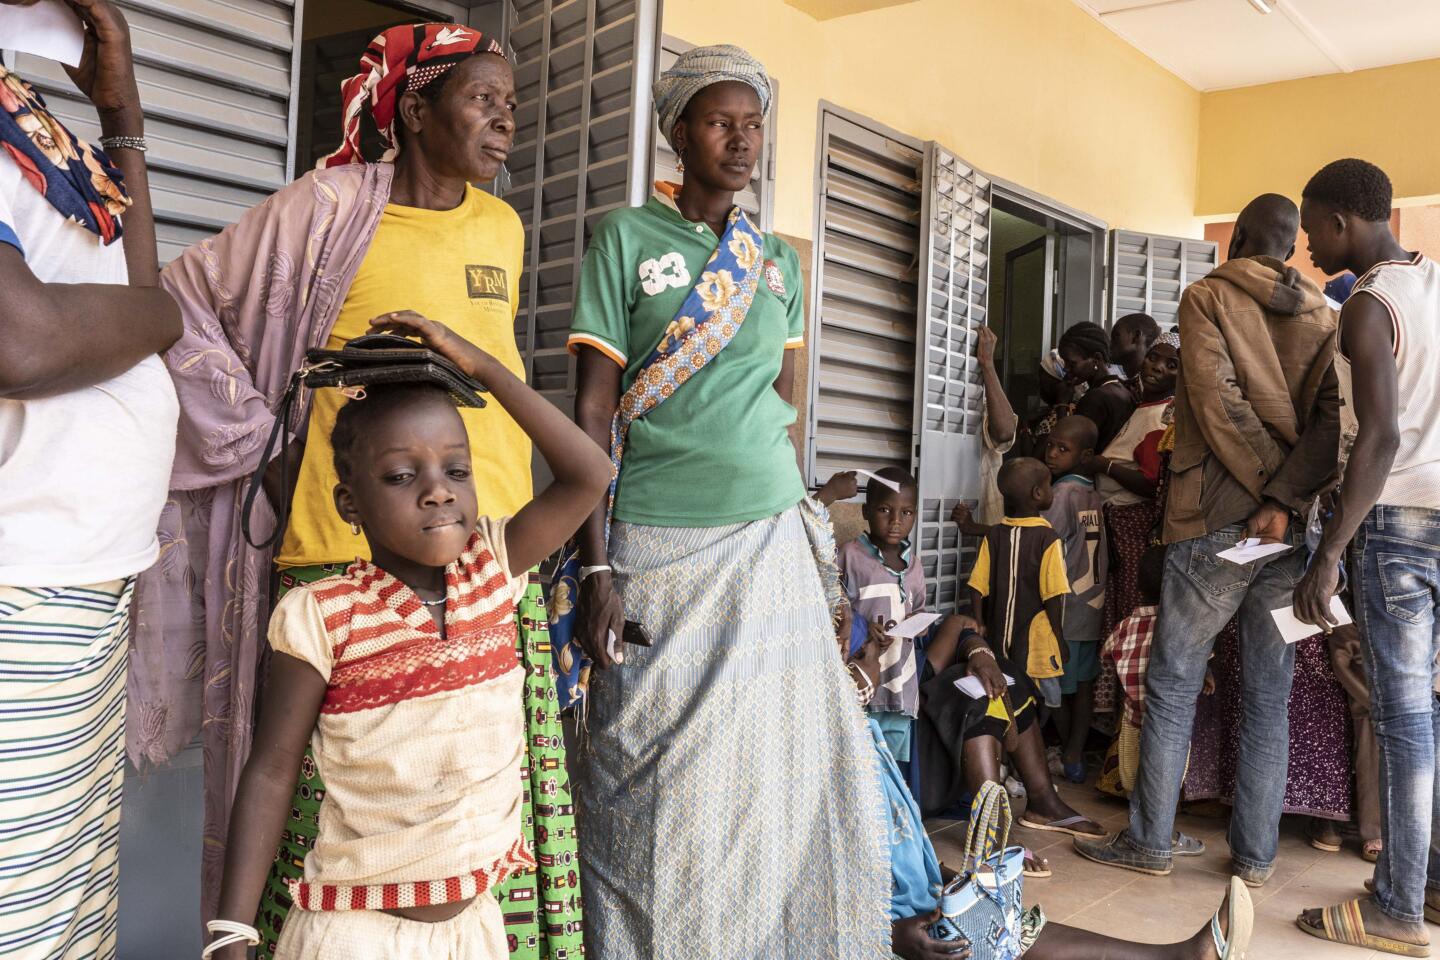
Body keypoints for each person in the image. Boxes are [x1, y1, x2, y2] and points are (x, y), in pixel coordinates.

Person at [145, 24, 583, 951]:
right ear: (414, 110)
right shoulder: (331, 206)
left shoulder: (500, 226)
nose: (506, 121)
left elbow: (497, 373)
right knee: (331, 814)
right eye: (483, 101)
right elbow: (178, 299)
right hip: (341, 554)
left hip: (490, 558)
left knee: (478, 802)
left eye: (511, 104)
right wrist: (258, 436)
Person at [566, 45, 889, 954]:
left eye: (753, 124)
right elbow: (591, 410)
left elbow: (783, 406)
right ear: (677, 133)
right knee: (656, 773)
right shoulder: (624, 238)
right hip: (658, 541)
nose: (742, 140)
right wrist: (596, 564)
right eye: (719, 121)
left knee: (774, 772)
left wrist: (800, 513)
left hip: (769, 539)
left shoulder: (776, 262)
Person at [205, 314, 611, 960]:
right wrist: (231, 932)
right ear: (349, 504)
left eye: (457, 471)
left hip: (473, 933)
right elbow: (273, 769)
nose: (436, 494)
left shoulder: (494, 568)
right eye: (401, 476)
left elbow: (590, 474)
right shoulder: (322, 616)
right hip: (355, 936)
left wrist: (480, 365)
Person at [1075, 192, 1340, 889]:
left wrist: (1263, 499)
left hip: (1216, 519)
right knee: (1268, 694)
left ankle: (1150, 841)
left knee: (1172, 683)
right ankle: (1254, 859)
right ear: (1289, 247)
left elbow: (1217, 404)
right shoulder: (1324, 315)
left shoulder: (1207, 297)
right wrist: (1286, 499)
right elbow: (1332, 425)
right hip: (1290, 530)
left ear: (1241, 236)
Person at [0, 2, 181, 957]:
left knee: (68, 904)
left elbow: (137, 278)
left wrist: (120, 111)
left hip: (77, 579)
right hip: (20, 588)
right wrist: (155, 320)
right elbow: (22, 339)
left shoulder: (30, 119)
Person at [847, 632, 1258, 960]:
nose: (874, 660)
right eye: (860, 654)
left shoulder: (862, 737)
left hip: (913, 913)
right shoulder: (823, 763)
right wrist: (887, 933)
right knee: (1004, 936)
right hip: (887, 933)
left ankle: (1177, 957)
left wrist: (943, 876)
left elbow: (895, 841)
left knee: (1015, 926)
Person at [1293, 158, 1440, 956]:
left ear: (1343, 221)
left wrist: (1331, 553)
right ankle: (1428, 880)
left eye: (1313, 227)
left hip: (1399, 524)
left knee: (1406, 720)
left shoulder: (1367, 305)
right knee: (1432, 712)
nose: (1308, 245)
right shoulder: (1438, 287)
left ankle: (1395, 909)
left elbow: (1380, 436)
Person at [836, 468, 927, 764]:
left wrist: (916, 626)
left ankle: (892, 810)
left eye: (907, 512)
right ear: (866, 510)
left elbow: (919, 611)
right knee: (860, 758)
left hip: (900, 683)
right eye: (885, 510)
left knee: (892, 762)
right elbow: (835, 605)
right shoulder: (849, 555)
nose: (895, 521)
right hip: (862, 676)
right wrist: (862, 626)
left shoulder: (913, 566)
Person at [1041, 416, 1107, 783]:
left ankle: (1068, 753)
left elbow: (1037, 538)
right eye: (1050, 445)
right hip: (1091, 603)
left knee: (1060, 689)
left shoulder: (1062, 493)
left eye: (1062, 449)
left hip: (1066, 606)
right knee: (1080, 686)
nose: (1051, 453)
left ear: (1085, 455)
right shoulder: (1094, 492)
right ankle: (1077, 754)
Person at [1056, 321, 1135, 452]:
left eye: (1072, 363)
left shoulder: (1095, 399)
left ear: (1096, 358)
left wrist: (1062, 404)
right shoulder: (1121, 388)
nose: (1066, 369)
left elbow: (1066, 448)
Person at [1109, 312, 1161, 400]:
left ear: (1136, 336)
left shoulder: (1152, 386)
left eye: (1116, 336)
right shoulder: (1131, 384)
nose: (1110, 344)